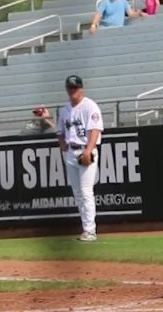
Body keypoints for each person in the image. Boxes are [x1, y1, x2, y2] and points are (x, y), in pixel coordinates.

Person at [54, 75, 104, 242]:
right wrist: (62, 144)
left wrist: (88, 151)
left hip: (85, 150)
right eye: (70, 87)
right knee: (77, 193)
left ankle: (90, 230)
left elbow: (95, 129)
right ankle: (86, 229)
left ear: (81, 88)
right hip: (71, 151)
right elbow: (60, 130)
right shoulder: (65, 109)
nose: (73, 90)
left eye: (75, 87)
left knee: (86, 191)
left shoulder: (90, 106)